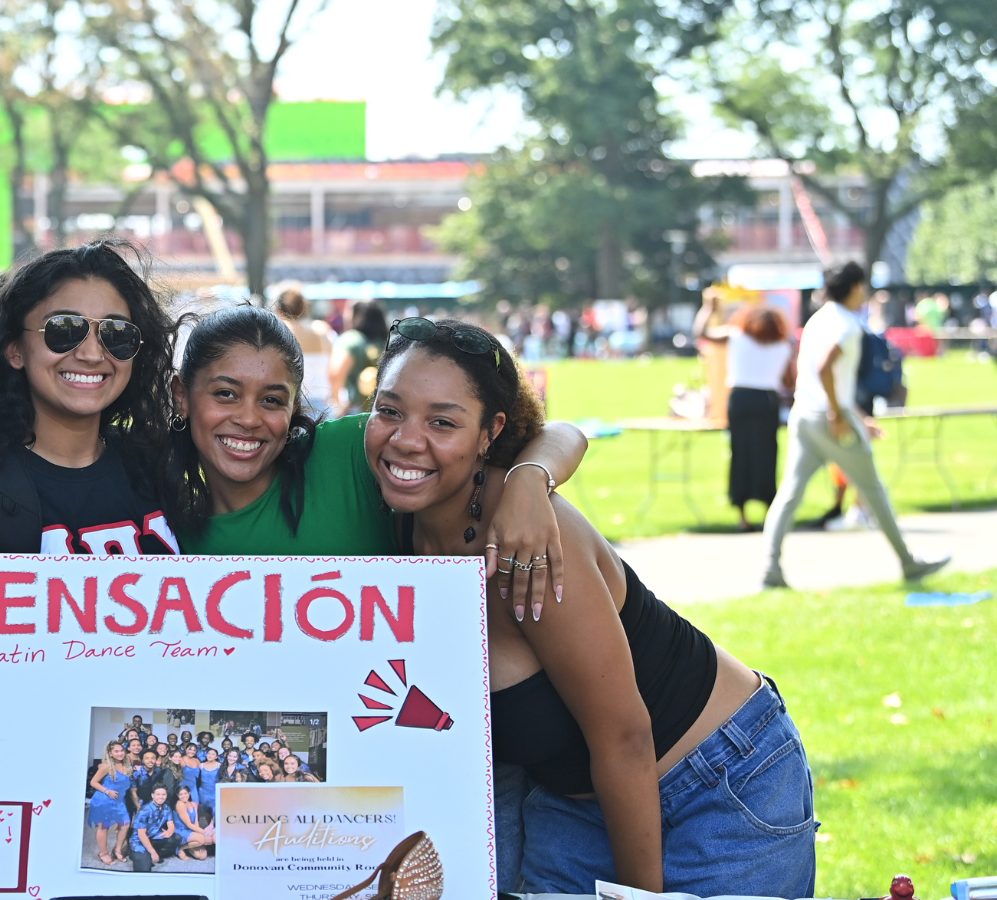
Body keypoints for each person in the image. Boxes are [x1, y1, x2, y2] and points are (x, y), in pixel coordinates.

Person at [368, 317, 815, 896]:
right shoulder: (395, 504)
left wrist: (639, 897)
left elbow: (625, 739)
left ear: (489, 433)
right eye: (389, 410)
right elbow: (562, 434)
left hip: (715, 781)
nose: (406, 438)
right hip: (571, 800)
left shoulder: (528, 543)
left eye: (443, 422)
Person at [171, 304, 588, 623]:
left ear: (294, 406)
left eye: (272, 400)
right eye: (225, 394)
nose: (248, 418)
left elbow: (561, 434)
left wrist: (529, 480)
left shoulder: (350, 452)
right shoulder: (159, 511)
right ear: (182, 396)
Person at [0, 242, 179, 555]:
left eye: (117, 333)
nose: (91, 353)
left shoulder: (159, 469)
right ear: (14, 348)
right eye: (64, 329)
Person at [761, 263, 950, 589]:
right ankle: (909, 563)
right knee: (873, 491)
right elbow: (825, 368)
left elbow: (831, 379)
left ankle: (770, 569)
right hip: (830, 418)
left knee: (790, 494)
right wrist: (839, 415)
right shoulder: (846, 325)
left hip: (805, 414)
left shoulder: (818, 319)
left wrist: (858, 416)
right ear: (854, 288)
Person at [692, 290, 795, 531]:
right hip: (768, 400)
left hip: (740, 398)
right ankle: (770, 509)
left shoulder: (736, 336)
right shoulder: (782, 346)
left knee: (740, 454)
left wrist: (708, 308)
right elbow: (789, 382)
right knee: (767, 455)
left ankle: (742, 515)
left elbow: (702, 333)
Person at [272, 287, 334, 413]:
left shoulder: (280, 331)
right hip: (322, 403)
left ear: (279, 310)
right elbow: (332, 369)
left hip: (290, 403)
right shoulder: (322, 330)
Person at [327, 300, 387, 416]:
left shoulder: (351, 340)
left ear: (356, 316)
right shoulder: (389, 341)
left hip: (356, 411)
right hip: (385, 411)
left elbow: (335, 373)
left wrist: (339, 404)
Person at [87, 741, 132, 866]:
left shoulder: (127, 766)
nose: (120, 753)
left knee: (125, 824)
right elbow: (93, 782)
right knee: (104, 827)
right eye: (116, 751)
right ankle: (103, 853)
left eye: (121, 750)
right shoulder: (106, 766)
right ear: (110, 753)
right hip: (104, 800)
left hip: (119, 801)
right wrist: (107, 791)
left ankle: (117, 850)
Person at [129, 784, 179, 872]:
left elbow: (171, 824)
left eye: (163, 794)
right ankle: (135, 853)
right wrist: (153, 852)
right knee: (144, 869)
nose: (161, 797)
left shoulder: (167, 807)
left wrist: (169, 832)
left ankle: (152, 852)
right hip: (140, 841)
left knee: (176, 838)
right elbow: (142, 835)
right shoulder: (144, 811)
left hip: (154, 836)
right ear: (152, 795)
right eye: (158, 794)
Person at [172, 784, 214, 860]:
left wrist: (203, 834)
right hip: (181, 830)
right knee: (202, 839)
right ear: (177, 795)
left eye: (185, 793)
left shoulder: (194, 804)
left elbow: (196, 823)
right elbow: (188, 825)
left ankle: (191, 846)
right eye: (180, 794)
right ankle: (180, 848)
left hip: (191, 830)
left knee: (202, 856)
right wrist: (205, 833)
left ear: (189, 793)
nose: (183, 796)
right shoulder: (180, 804)